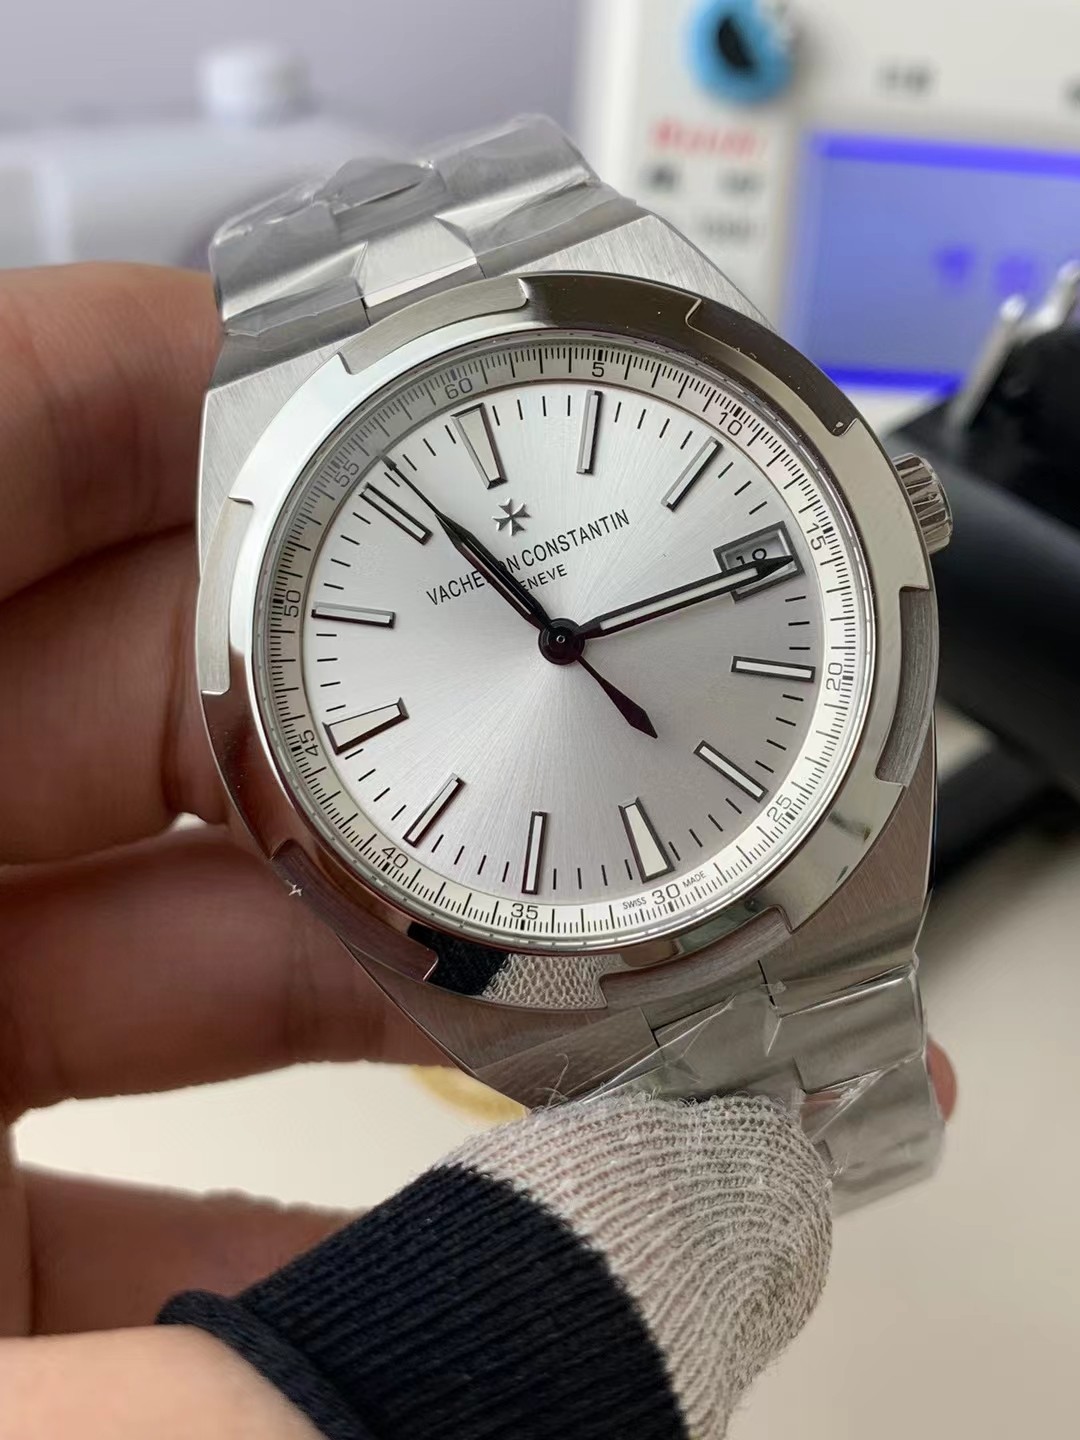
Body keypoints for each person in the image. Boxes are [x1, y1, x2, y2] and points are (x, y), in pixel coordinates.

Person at [0, 264, 956, 1440]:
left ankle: (870, 1150)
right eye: (552, 634)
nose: (559, 639)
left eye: (566, 629)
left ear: (906, 505)